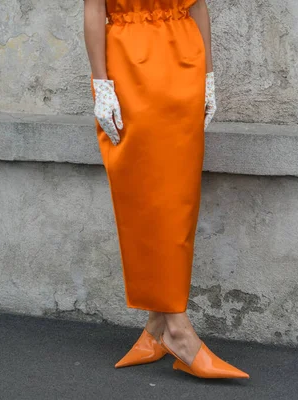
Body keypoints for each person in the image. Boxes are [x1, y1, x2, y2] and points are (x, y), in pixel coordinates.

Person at [83, 0, 249, 379]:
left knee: (178, 195)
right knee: (143, 193)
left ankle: (158, 328)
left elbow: (199, 6)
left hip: (184, 62)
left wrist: (208, 75)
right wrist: (101, 84)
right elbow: (93, 9)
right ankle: (179, 331)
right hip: (129, 63)